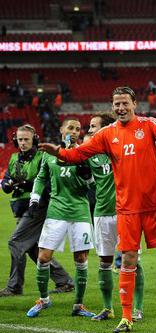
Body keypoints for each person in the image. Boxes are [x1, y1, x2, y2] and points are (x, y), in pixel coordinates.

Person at [39, 86, 156, 333]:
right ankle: (126, 317)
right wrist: (58, 152)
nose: (121, 108)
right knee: (128, 259)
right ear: (112, 107)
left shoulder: (149, 124)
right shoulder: (106, 134)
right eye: (117, 104)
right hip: (127, 209)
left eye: (125, 103)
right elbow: (79, 154)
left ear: (134, 103)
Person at [26, 118, 95, 319]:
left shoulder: (85, 153)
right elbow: (40, 178)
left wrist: (88, 176)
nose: (74, 132)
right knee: (43, 257)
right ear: (61, 130)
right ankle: (43, 300)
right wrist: (34, 199)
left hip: (80, 212)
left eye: (77, 129)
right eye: (70, 128)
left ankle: (78, 305)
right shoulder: (49, 155)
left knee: (81, 259)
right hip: (56, 212)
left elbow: (94, 187)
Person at [0, 125, 73, 297]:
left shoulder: (42, 157)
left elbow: (47, 182)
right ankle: (65, 281)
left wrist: (26, 184)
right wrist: (8, 185)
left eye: (26, 139)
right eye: (20, 139)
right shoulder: (13, 158)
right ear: (15, 140)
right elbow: (6, 183)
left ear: (34, 140)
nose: (23, 143)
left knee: (15, 242)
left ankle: (14, 287)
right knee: (32, 248)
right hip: (19, 207)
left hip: (37, 207)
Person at [86, 113, 146, 322]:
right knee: (104, 261)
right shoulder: (91, 154)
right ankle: (107, 308)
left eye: (94, 126)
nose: (90, 130)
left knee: (132, 261)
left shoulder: (124, 147)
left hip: (127, 212)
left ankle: (137, 308)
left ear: (106, 129)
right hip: (102, 212)